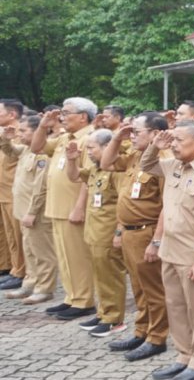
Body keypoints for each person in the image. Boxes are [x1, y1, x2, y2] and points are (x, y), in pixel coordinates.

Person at [142, 120, 194, 380]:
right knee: (176, 308)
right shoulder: (174, 166)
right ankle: (184, 355)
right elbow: (145, 166)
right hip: (171, 251)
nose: (173, 145)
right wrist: (154, 147)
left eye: (179, 140)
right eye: (172, 140)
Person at [100, 112, 171, 361]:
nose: (132, 135)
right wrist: (117, 139)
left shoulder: (163, 160)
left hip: (147, 232)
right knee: (139, 289)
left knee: (154, 290)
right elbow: (105, 163)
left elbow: (167, 205)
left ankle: (157, 337)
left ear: (154, 134)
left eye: (137, 131)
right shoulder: (135, 156)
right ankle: (141, 331)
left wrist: (157, 240)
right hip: (130, 233)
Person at [30, 98, 98, 321]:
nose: (62, 117)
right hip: (57, 207)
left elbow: (89, 178)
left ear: (83, 117)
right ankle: (71, 297)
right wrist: (43, 125)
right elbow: (36, 147)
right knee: (65, 256)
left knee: (78, 257)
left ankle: (83, 301)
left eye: (67, 113)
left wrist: (79, 207)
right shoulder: (64, 138)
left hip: (73, 208)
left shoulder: (90, 138)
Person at [65, 129, 129, 338]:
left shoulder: (116, 170)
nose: (88, 151)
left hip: (108, 233)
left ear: (105, 147)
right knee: (100, 276)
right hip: (94, 232)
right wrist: (72, 160)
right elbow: (74, 176)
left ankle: (114, 319)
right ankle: (103, 313)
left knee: (111, 277)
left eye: (92, 147)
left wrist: (119, 232)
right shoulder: (96, 169)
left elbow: (123, 203)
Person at [0, 114, 56, 304]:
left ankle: (45, 289)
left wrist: (32, 212)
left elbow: (41, 188)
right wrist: (4, 138)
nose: (20, 134)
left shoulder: (44, 155)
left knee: (42, 253)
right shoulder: (26, 150)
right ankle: (29, 284)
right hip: (23, 211)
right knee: (30, 251)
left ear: (37, 131)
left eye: (24, 131)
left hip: (36, 213)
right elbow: (10, 150)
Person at [0, 99, 25, 291]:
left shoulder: (19, 135)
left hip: (14, 192)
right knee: (8, 234)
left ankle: (21, 271)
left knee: (17, 235)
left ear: (12, 114)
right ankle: (10, 267)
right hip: (3, 192)